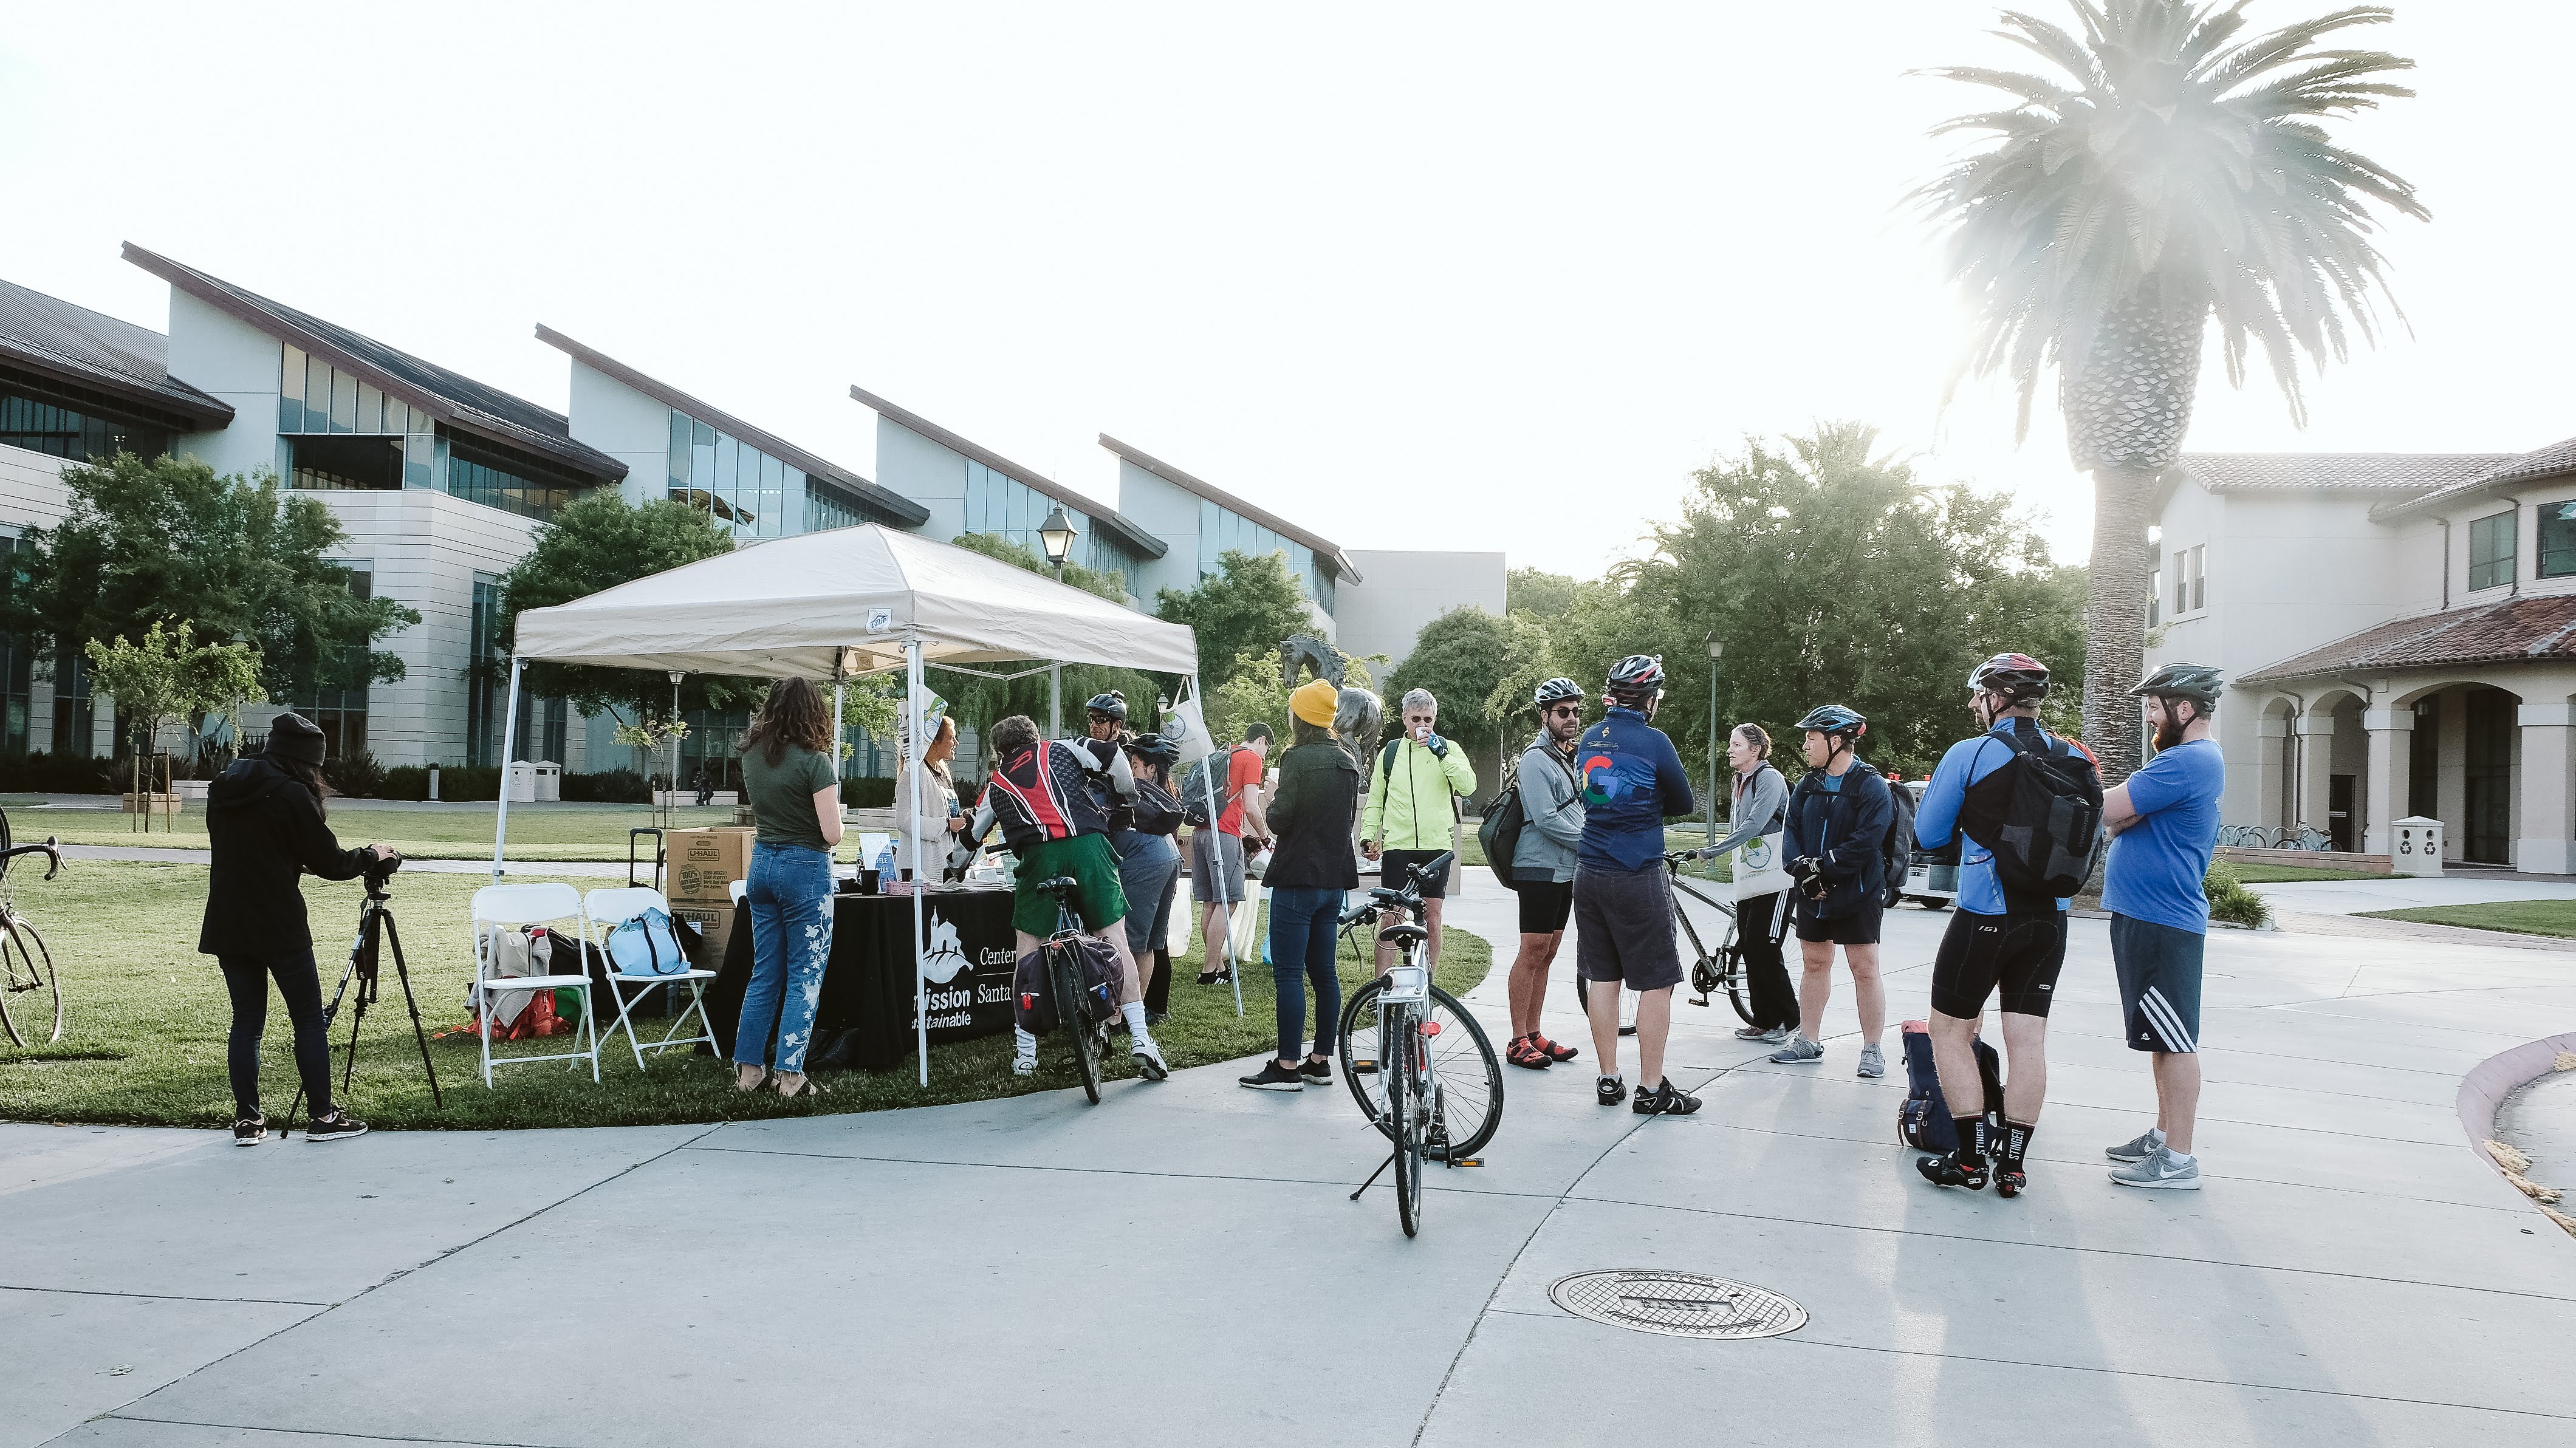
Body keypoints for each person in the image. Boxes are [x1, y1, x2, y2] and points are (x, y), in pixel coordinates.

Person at [1910, 654, 2084, 1195]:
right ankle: (2012, 1165)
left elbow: (1929, 831)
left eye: (1977, 696)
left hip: (1987, 914)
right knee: (2027, 1040)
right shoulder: (2077, 754)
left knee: (1949, 1031)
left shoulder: (1973, 752)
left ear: (1996, 699)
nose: (1972, 705)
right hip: (2051, 920)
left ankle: (1967, 1160)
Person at [199, 712, 392, 1144]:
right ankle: (323, 1117)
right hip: (279, 920)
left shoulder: (225, 785)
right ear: (307, 761)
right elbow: (332, 863)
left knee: (246, 1021)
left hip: (228, 918)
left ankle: (248, 1121)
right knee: (307, 1018)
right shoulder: (290, 793)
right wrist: (373, 854)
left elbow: (252, 845)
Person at [975, 714, 1168, 1081]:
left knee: (1028, 949)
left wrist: (954, 866)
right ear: (1035, 737)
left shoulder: (997, 782)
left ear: (1000, 753)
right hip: (1089, 846)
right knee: (1115, 939)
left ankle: (1026, 1054)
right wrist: (1127, 798)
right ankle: (1141, 1040)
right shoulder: (1063, 747)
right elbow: (1113, 756)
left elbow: (971, 836)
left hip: (1038, 857)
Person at [2102, 663, 2227, 1190]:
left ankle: (2179, 1159)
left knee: (2175, 1040)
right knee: (2161, 1036)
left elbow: (2107, 808)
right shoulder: (2180, 762)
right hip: (2146, 917)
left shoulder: (2187, 761)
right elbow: (2121, 817)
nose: (2149, 716)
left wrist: (2120, 813)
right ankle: (2163, 1134)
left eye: (2154, 706)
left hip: (2162, 920)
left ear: (2185, 709)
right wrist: (2123, 815)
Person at [1572, 655, 1702, 1116]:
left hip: (1588, 869)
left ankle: (1609, 1079)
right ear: (1650, 699)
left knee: (1602, 976)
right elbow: (1683, 801)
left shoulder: (1587, 737)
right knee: (1656, 982)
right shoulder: (1655, 742)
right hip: (1636, 871)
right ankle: (1652, 1088)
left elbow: (1589, 793)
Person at [1240, 679, 1363, 1090]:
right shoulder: (1347, 759)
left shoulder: (1296, 758)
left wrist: (1273, 797)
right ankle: (1319, 1060)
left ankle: (1288, 1066)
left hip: (1297, 879)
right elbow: (1345, 821)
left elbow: (1279, 819)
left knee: (1290, 975)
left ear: (1301, 717)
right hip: (1333, 880)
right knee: (1325, 974)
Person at [735, 677, 844, 1099]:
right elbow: (831, 833)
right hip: (805, 869)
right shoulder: (816, 762)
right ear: (813, 712)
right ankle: (791, 1076)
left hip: (762, 864)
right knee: (805, 974)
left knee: (764, 973)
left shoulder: (752, 757)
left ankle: (749, 1072)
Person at [1772, 703, 1894, 1077]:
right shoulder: (1808, 785)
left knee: (1864, 968)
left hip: (1857, 892)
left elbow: (1866, 841)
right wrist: (1802, 872)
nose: (1806, 744)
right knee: (1815, 963)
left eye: (1811, 737)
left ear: (1836, 741)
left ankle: (1872, 1049)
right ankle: (1808, 1040)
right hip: (1812, 892)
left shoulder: (1870, 786)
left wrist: (1823, 870)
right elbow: (1790, 832)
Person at [1362, 688, 1478, 977]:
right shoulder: (1390, 753)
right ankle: (1380, 989)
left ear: (1435, 718)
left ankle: (1428, 985)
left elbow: (1468, 786)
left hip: (1436, 847)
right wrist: (1367, 836)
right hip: (1398, 847)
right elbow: (1376, 799)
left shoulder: (1448, 748)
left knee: (1432, 917)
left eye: (1428, 718)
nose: (1422, 725)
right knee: (1391, 919)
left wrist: (1441, 754)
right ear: (1404, 718)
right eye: (1416, 718)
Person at [1504, 677, 1586, 1070]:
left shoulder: (1567, 756)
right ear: (1545, 716)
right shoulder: (1536, 759)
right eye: (1563, 712)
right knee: (1532, 950)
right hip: (1537, 866)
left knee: (1548, 952)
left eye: (1575, 711)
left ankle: (1534, 1033)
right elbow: (1546, 818)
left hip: (1564, 868)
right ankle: (1518, 1039)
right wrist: (1590, 842)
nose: (1571, 718)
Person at [1702, 723, 1796, 1043]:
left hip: (1778, 877)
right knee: (1749, 946)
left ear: (1755, 750)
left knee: (1765, 946)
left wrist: (1714, 850)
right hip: (1752, 872)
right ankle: (1764, 1020)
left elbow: (1755, 824)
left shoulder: (1769, 778)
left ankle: (1789, 1020)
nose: (1730, 749)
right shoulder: (1739, 779)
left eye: (1737, 745)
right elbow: (1737, 823)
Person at [1112, 729, 1185, 1026]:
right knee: (1152, 943)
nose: (1131, 769)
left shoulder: (1133, 793)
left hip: (1144, 863)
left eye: (1136, 764)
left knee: (1129, 943)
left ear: (1152, 768)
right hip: (1168, 858)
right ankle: (1137, 1011)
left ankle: (1123, 1016)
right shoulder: (1162, 795)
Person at [1192, 722, 1272, 986]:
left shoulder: (1224, 755)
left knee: (1211, 903)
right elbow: (1251, 806)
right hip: (1225, 835)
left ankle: (1218, 965)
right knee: (1228, 902)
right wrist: (1264, 837)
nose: (1264, 757)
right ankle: (1209, 971)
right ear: (1261, 741)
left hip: (1201, 832)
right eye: (1267, 750)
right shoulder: (1251, 758)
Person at [894, 711, 968, 878]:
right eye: (951, 738)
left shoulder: (942, 772)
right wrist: (948, 824)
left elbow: (945, 812)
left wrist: (962, 817)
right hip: (922, 868)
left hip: (945, 862)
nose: (956, 743)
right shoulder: (913, 774)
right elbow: (905, 821)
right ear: (934, 741)